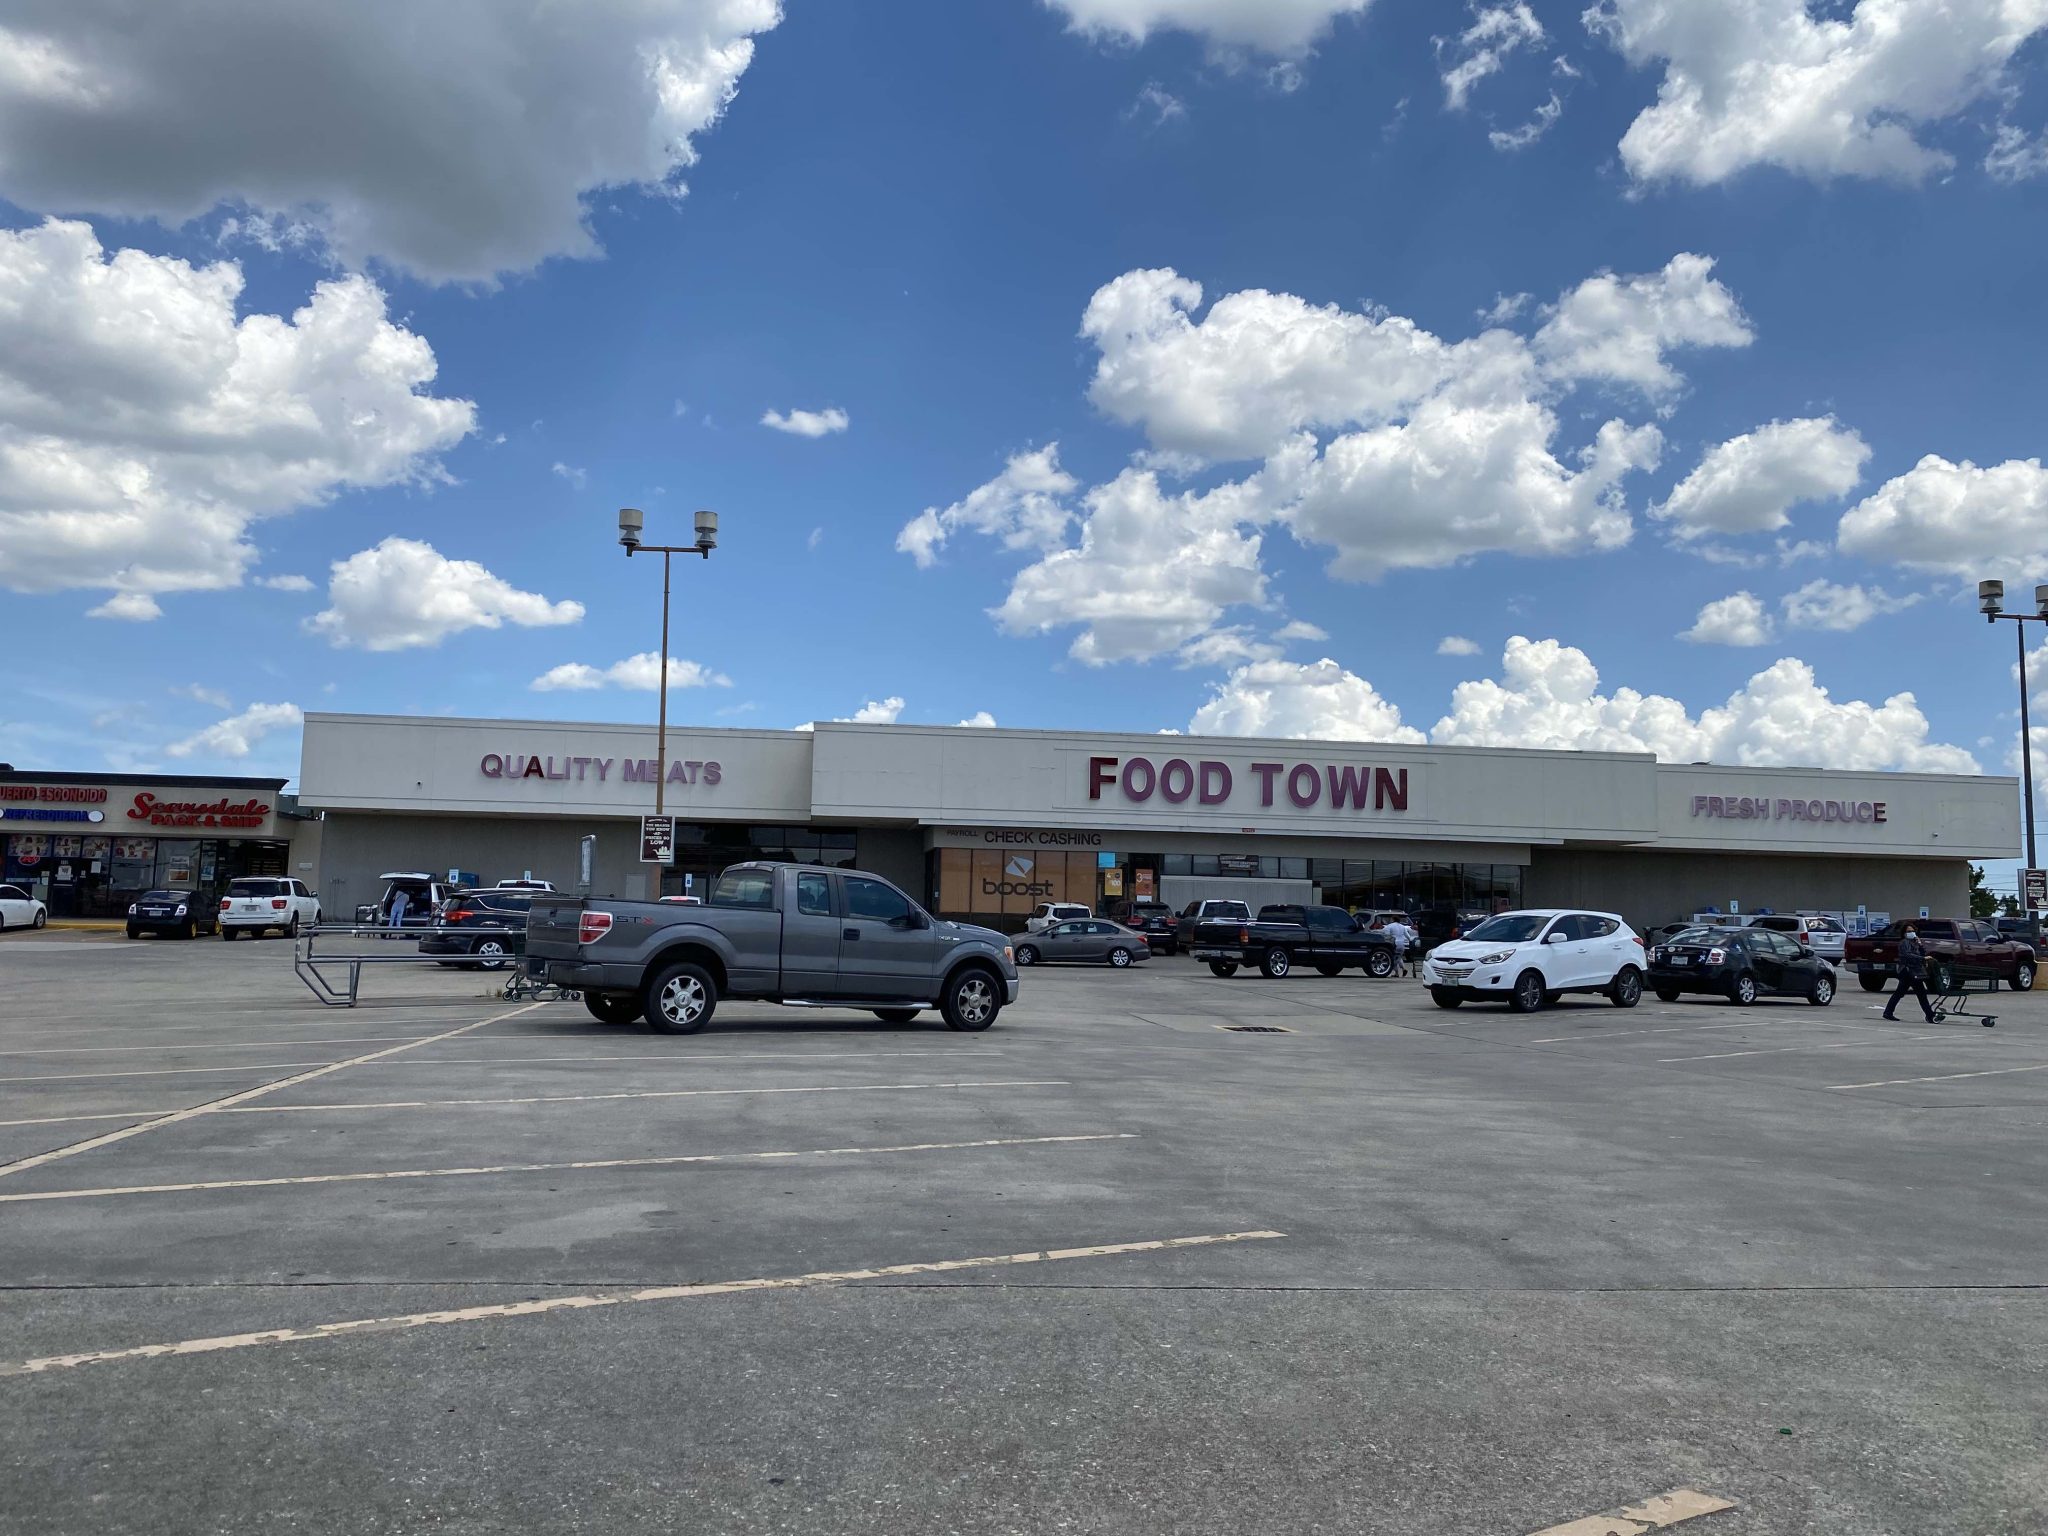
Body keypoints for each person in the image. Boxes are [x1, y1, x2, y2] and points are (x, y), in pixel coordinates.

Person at [1883, 925, 1936, 1023]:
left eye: (1912, 931)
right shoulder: (1904, 943)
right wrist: (1922, 959)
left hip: (1913, 971)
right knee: (1920, 994)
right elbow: (1907, 955)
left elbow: (1922, 953)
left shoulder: (1914, 943)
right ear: (1904, 933)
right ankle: (1930, 1015)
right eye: (1908, 931)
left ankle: (1888, 1012)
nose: (1911, 933)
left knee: (1901, 993)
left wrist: (1920, 944)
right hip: (1907, 971)